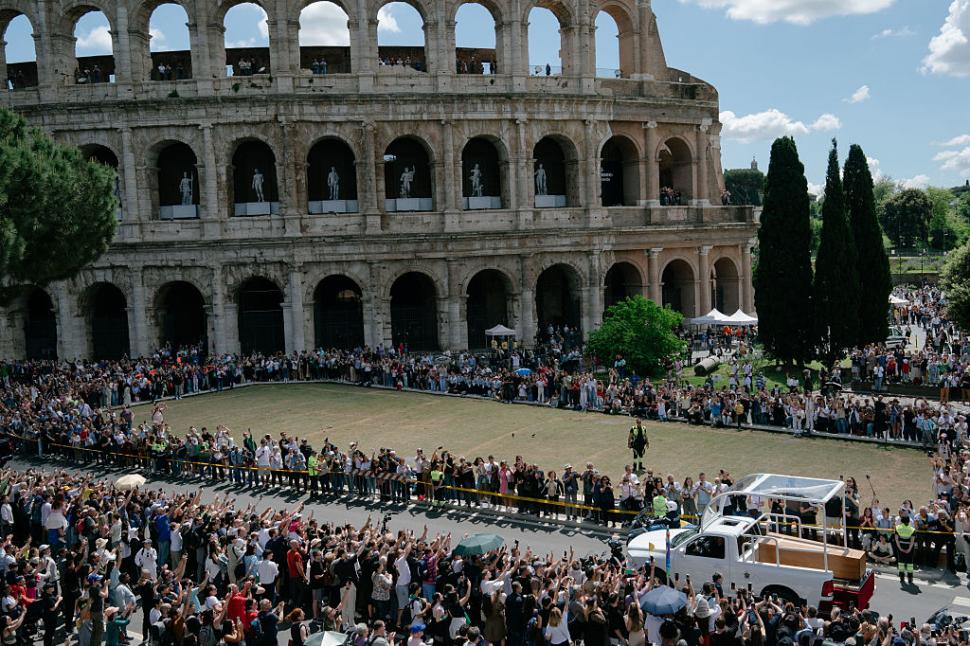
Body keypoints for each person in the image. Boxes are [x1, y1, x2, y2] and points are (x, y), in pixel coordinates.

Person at [894, 514, 916, 585]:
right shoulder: (912, 530)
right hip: (909, 547)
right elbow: (912, 541)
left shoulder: (897, 528)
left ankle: (902, 578)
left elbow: (896, 539)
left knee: (901, 562)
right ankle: (910, 578)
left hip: (901, 546)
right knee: (910, 563)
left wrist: (900, 548)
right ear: (909, 521)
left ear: (901, 521)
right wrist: (909, 549)